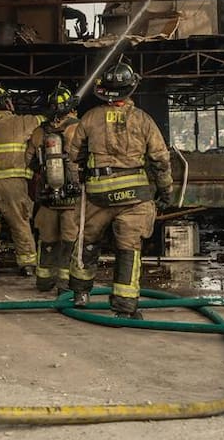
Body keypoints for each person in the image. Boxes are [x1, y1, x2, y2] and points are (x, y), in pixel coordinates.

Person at [67, 62, 172, 318]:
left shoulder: (89, 118)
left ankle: (80, 294)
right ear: (130, 89)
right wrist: (165, 190)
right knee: (128, 248)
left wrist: (79, 180)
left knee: (87, 242)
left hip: (98, 195)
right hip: (134, 197)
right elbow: (160, 159)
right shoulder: (143, 120)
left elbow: (74, 156)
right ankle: (125, 306)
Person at [0, 84, 44, 280]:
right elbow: (43, 121)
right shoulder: (19, 122)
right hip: (12, 183)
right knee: (19, 222)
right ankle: (28, 264)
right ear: (6, 102)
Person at [25, 84, 81, 293]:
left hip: (47, 197)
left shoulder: (40, 132)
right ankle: (65, 283)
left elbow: (28, 161)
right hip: (72, 198)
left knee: (47, 239)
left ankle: (44, 281)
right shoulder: (78, 128)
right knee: (70, 241)